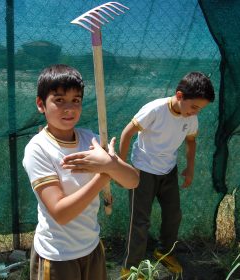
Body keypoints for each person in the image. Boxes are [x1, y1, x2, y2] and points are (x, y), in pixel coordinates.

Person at [22, 64, 139, 280]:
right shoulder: (38, 149)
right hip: (57, 256)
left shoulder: (90, 139)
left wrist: (112, 164)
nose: (69, 108)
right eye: (59, 100)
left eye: (76, 100)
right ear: (41, 104)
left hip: (92, 247)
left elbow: (132, 181)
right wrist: (103, 173)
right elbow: (61, 213)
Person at [119, 72, 215, 276]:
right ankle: (130, 267)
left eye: (200, 109)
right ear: (180, 96)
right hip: (142, 171)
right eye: (194, 107)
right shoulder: (155, 109)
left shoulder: (191, 118)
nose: (196, 112)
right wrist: (120, 166)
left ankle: (163, 252)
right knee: (140, 222)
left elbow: (191, 141)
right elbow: (127, 133)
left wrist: (190, 168)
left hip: (168, 171)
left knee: (174, 215)